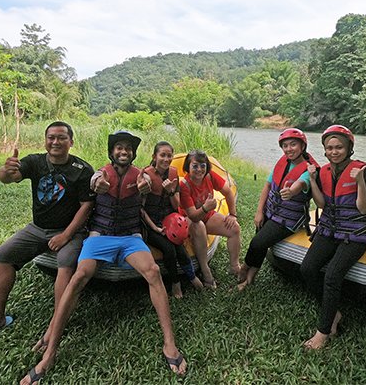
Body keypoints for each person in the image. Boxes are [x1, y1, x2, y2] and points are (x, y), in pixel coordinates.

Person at [20, 131, 186, 384]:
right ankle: (50, 352)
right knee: (79, 277)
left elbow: (147, 186)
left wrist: (145, 188)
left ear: (133, 154)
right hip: (100, 237)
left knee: (152, 272)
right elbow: (95, 182)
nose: (124, 152)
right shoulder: (101, 173)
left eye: (128, 149)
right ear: (112, 152)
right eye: (119, 148)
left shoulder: (141, 176)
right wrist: (98, 184)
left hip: (130, 238)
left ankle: (169, 343)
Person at [0, 121, 94, 347]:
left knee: (66, 262)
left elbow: (86, 206)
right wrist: (5, 170)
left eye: (61, 137)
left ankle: (55, 324)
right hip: (37, 228)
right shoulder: (35, 161)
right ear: (45, 140)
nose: (55, 142)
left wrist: (66, 235)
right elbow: (7, 178)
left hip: (70, 230)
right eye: (51, 137)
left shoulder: (81, 170)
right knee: (3, 255)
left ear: (71, 142)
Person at [299, 125, 366, 350]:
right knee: (307, 269)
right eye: (330, 148)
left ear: (349, 148)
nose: (334, 151)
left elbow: (364, 209)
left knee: (332, 275)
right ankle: (334, 313)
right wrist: (313, 180)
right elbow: (322, 204)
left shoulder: (364, 170)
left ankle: (323, 332)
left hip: (355, 234)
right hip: (329, 230)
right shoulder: (323, 171)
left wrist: (360, 181)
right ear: (324, 150)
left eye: (339, 147)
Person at [238, 128, 319, 290]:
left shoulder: (309, 170)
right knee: (259, 243)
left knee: (257, 242)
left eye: (293, 145)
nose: (289, 149)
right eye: (285, 146)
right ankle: (251, 277)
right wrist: (259, 211)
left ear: (302, 146)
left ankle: (246, 268)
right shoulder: (283, 163)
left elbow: (300, 184)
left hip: (288, 219)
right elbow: (268, 185)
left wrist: (291, 191)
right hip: (270, 212)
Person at [142, 141, 203, 298]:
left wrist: (170, 192)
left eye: (169, 155)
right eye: (162, 155)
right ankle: (175, 283)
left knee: (180, 248)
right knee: (169, 249)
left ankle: (191, 277)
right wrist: (154, 228)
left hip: (169, 220)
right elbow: (140, 208)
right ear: (154, 157)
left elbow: (176, 206)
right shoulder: (146, 176)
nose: (166, 159)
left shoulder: (173, 174)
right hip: (150, 223)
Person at [178, 149, 240, 289]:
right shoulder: (184, 186)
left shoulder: (210, 176)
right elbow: (193, 215)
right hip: (188, 220)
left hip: (207, 216)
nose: (199, 170)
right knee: (198, 224)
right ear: (187, 167)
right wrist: (206, 207)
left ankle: (234, 266)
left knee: (234, 228)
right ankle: (206, 272)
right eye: (195, 166)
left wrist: (232, 214)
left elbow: (228, 192)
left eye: (203, 166)